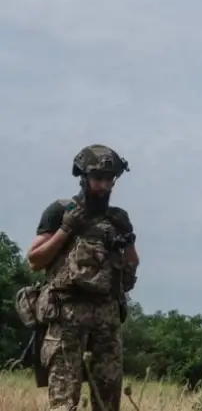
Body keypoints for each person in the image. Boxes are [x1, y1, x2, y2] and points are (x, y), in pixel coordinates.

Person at [24, 144, 140, 411]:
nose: (103, 185)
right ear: (84, 177)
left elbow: (131, 267)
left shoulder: (118, 218)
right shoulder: (61, 210)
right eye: (97, 178)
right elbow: (34, 259)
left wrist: (129, 240)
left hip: (106, 315)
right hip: (66, 314)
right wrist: (66, 229)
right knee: (64, 401)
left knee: (107, 401)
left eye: (109, 179)